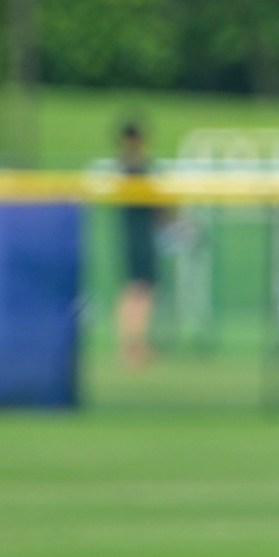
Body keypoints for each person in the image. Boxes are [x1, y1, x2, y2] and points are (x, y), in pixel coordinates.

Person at [114, 121, 159, 370]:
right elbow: (160, 204)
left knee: (136, 290)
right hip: (138, 238)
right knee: (139, 291)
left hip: (138, 237)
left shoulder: (127, 167)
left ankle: (134, 346)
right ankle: (133, 348)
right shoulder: (135, 169)